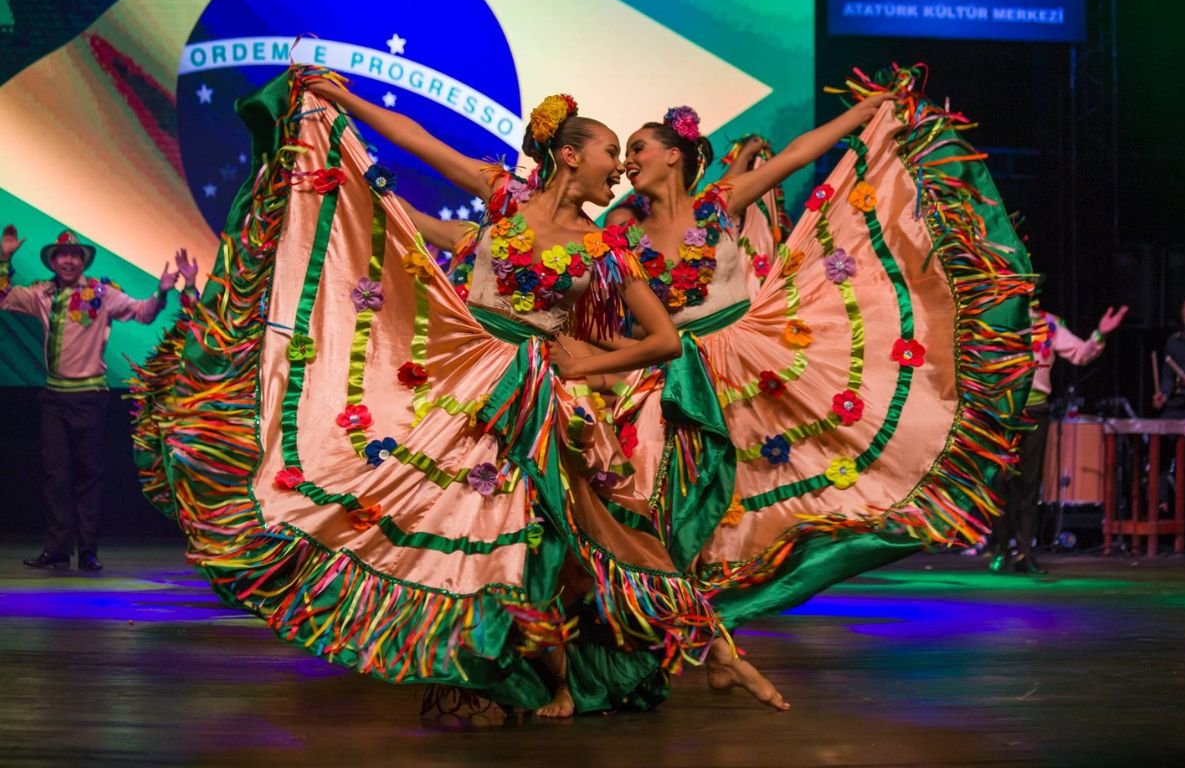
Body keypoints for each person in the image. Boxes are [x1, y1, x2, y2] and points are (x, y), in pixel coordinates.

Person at [131, 66, 736, 720]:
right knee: (453, 515)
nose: (618, 169)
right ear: (568, 155)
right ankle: (478, 665)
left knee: (549, 529)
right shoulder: (504, 198)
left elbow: (665, 341)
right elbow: (421, 142)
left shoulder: (604, 247)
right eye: (610, 152)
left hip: (538, 396)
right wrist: (343, 99)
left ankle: (570, 665)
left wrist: (587, 363)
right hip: (471, 382)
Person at [562, 65, 1036, 698]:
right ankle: (696, 644)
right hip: (673, 376)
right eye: (622, 156)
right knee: (662, 509)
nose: (627, 165)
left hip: (748, 366)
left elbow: (798, 154)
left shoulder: (718, 203)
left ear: (674, 157)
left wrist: (863, 113)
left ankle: (709, 641)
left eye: (638, 151)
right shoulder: (621, 234)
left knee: (757, 498)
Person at [0, 224, 196, 570]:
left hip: (90, 397)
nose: (69, 260)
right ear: (53, 261)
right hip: (54, 399)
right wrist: (4, 258)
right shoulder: (41, 294)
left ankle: (88, 550)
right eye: (62, 255)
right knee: (55, 476)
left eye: (75, 255)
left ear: (83, 261)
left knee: (88, 475)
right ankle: (57, 549)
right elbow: (3, 297)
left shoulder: (102, 294)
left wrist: (162, 292)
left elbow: (143, 313)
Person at [990, 301, 1128, 574]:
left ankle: (1025, 552)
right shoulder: (997, 319)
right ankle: (1001, 549)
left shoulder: (1048, 324)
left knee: (1029, 483)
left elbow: (1079, 353)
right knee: (999, 481)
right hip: (1002, 411)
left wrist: (1099, 334)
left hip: (1035, 410)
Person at [1152, 296, 1185, 420]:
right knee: (1161, 427)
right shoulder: (1174, 341)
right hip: (1179, 403)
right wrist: (1163, 396)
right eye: (1184, 307)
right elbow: (1168, 378)